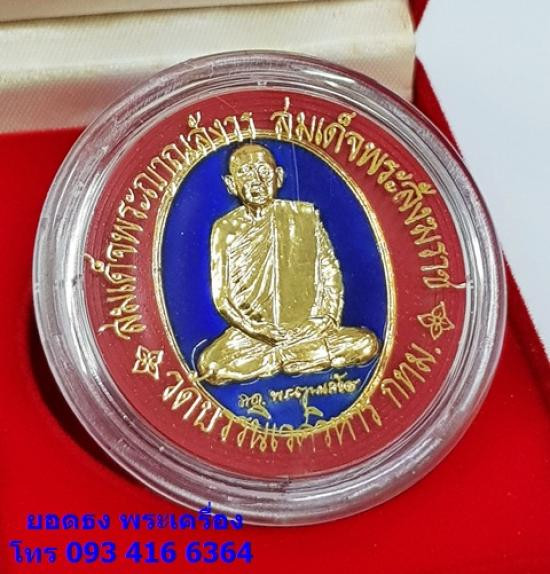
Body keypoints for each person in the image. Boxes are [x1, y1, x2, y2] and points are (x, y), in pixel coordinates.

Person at [197, 143, 378, 385]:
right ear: (231, 184)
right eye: (245, 173)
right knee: (211, 366)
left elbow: (329, 271)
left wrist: (325, 318)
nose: (256, 181)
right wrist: (260, 331)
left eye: (263, 171)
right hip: (253, 336)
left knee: (367, 344)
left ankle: (282, 357)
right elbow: (222, 300)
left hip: (308, 329)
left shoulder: (304, 216)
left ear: (279, 177)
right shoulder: (225, 228)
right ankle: (293, 357)